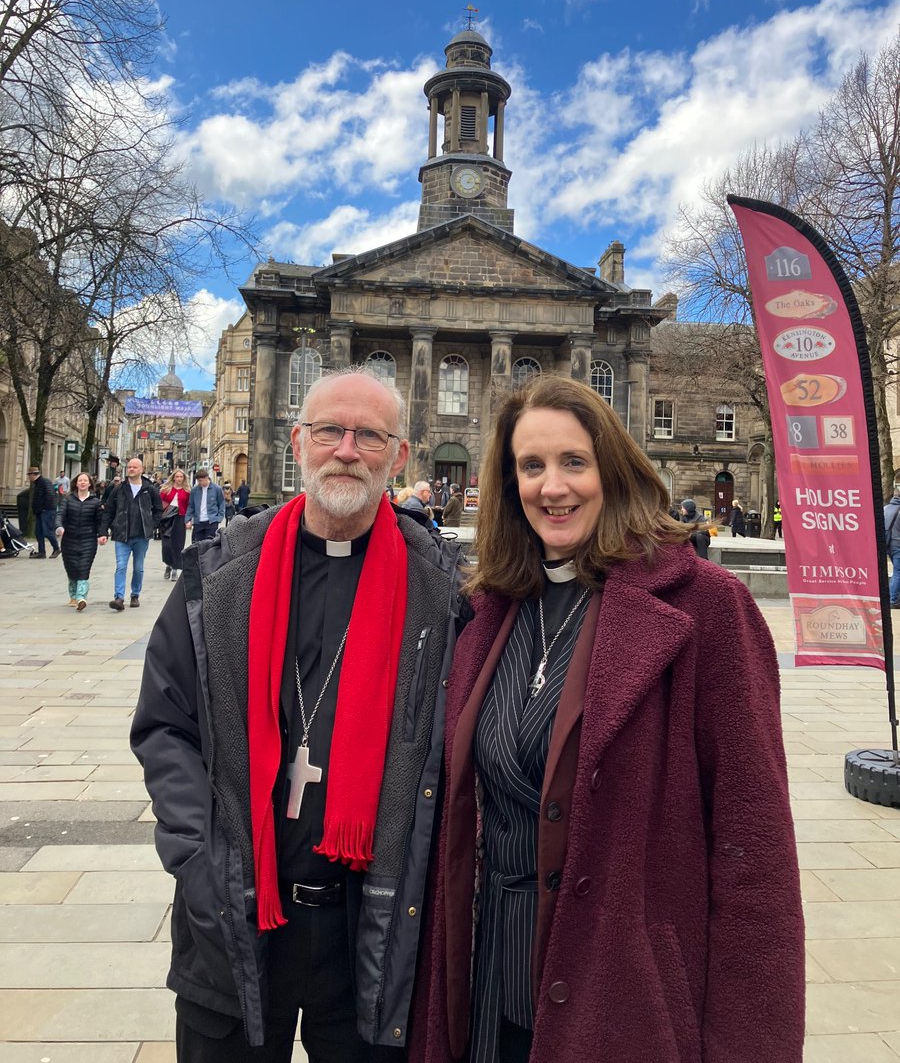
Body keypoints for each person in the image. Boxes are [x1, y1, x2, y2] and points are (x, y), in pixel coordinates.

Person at [412, 376, 804, 1063]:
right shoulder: (491, 612)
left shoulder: (707, 608)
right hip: (487, 976)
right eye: (530, 466)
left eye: (573, 462)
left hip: (622, 996)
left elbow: (755, 852)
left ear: (612, 470)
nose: (552, 487)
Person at [131, 368, 469, 1062]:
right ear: (299, 442)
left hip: (370, 934)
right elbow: (166, 727)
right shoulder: (218, 576)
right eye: (329, 432)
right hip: (236, 915)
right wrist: (200, 864)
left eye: (369, 435)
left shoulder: (445, 592)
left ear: (398, 455)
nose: (347, 449)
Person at [101, 457, 163, 611]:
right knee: (121, 566)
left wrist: (152, 525)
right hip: (122, 534)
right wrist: (103, 531)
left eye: (135, 467)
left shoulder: (150, 489)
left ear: (141, 470)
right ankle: (119, 597)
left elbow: (158, 510)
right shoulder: (119, 489)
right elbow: (109, 510)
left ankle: (135, 594)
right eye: (129, 467)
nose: (131, 470)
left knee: (138, 567)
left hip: (141, 535)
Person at [55, 472, 106, 609]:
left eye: (85, 480)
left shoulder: (95, 502)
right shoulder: (68, 499)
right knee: (71, 568)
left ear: (90, 484)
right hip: (69, 539)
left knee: (84, 567)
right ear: (76, 483)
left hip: (88, 540)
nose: (82, 483)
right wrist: (59, 527)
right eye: (80, 480)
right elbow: (60, 514)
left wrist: (102, 534)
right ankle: (73, 596)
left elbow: (100, 521)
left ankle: (81, 598)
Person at [159, 469, 191, 582]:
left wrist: (189, 520)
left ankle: (175, 569)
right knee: (167, 544)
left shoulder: (187, 491)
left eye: (181, 477)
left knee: (178, 544)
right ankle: (168, 564)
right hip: (167, 519)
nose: (178, 479)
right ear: (173, 478)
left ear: (183, 478)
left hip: (180, 518)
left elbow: (189, 506)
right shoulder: (165, 489)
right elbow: (159, 504)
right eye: (177, 477)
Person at [26, 464, 59, 559]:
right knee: (38, 532)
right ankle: (41, 552)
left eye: (29, 475)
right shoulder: (38, 483)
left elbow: (50, 496)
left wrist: (44, 508)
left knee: (47, 531)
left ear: (33, 474)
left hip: (46, 511)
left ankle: (56, 548)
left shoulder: (44, 482)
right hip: (41, 511)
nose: (29, 477)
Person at [185, 468, 225, 544]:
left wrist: (219, 518)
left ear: (206, 478)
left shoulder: (217, 489)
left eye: (201, 481)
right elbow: (191, 506)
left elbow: (221, 504)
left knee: (210, 545)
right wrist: (188, 519)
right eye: (198, 481)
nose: (199, 483)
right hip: (198, 522)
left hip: (211, 522)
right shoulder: (194, 490)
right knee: (196, 545)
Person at [884, 485, 900, 609]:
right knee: (898, 573)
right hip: (898, 545)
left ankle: (894, 596)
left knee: (897, 572)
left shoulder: (885, 509)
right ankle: (893, 600)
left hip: (888, 545)